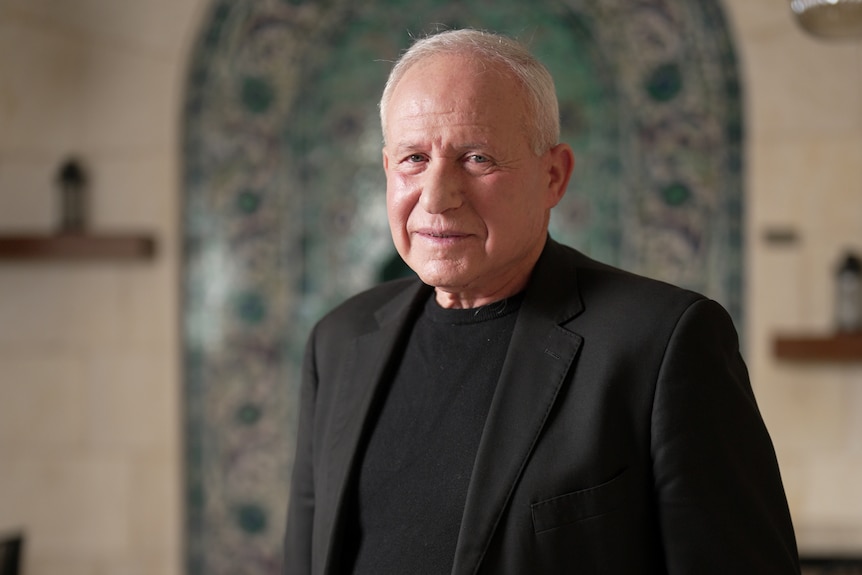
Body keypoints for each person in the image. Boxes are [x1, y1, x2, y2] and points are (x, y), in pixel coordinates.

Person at [283, 28, 800, 575]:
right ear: (388, 171)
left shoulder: (664, 344)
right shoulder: (338, 341)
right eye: (414, 158)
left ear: (553, 176)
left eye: (477, 158)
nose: (436, 196)